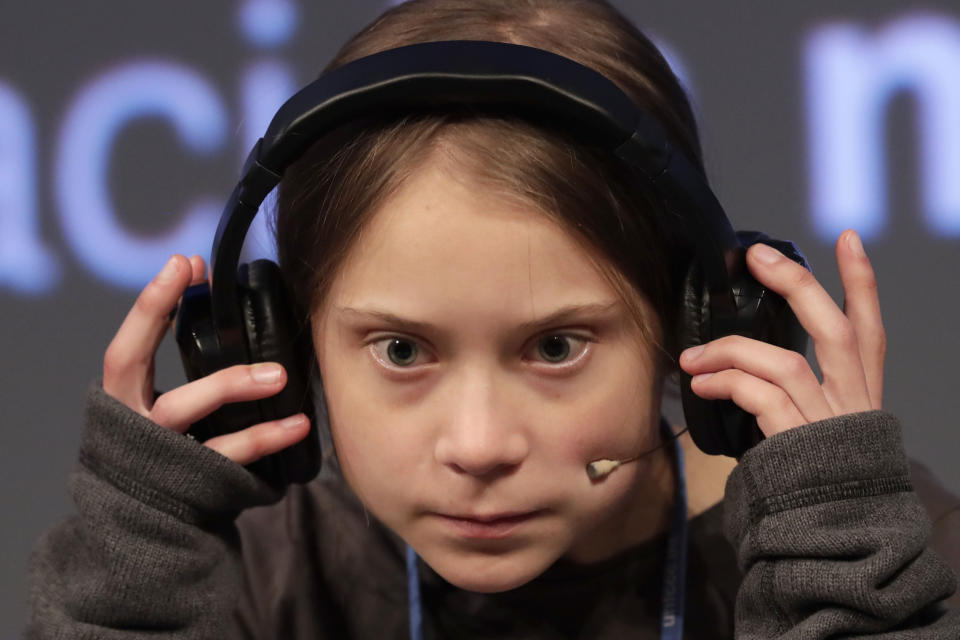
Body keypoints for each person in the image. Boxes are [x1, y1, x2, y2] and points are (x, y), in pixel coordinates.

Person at [26, 0, 960, 638]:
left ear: (690, 331)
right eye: (400, 349)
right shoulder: (246, 584)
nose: (478, 447)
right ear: (291, 340)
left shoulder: (869, 548)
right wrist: (129, 584)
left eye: (556, 347)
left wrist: (845, 583)